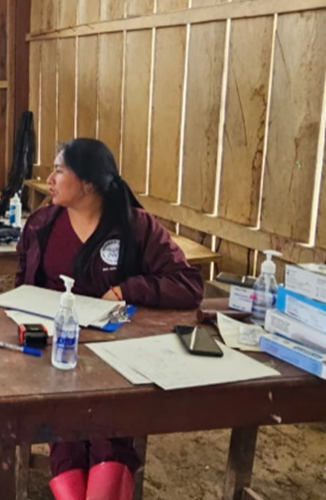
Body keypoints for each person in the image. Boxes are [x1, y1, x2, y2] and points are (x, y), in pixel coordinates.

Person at [14, 138, 203, 500]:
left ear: (87, 182)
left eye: (59, 171)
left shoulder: (136, 227)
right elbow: (22, 291)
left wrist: (127, 289)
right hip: (56, 354)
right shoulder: (41, 224)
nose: (49, 179)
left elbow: (188, 284)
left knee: (110, 436)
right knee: (66, 436)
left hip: (118, 359)